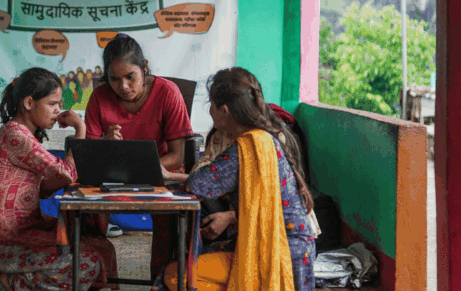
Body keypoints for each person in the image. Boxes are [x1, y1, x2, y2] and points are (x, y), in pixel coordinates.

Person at [0, 67, 117, 291]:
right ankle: (17, 280)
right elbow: (65, 173)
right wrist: (80, 128)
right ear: (28, 103)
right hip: (8, 242)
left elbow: (44, 190)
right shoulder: (14, 135)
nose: (58, 111)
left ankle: (30, 276)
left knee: (98, 245)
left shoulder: (23, 135)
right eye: (52, 104)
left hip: (27, 228)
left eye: (58, 104)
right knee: (87, 262)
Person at [163, 67, 317, 291]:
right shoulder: (266, 138)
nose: (211, 113)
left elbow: (198, 183)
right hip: (297, 246)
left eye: (212, 106)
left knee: (175, 275)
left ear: (224, 110)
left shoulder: (248, 146)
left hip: (280, 250)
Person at [83, 33, 195, 275]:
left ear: (144, 68)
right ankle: (97, 277)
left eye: (130, 77)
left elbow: (178, 156)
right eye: (114, 79)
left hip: (160, 177)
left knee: (168, 221)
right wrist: (104, 144)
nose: (123, 86)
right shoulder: (99, 97)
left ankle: (161, 279)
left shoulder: (168, 92)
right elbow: (89, 155)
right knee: (85, 214)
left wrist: (139, 170)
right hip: (111, 179)